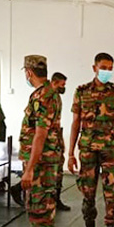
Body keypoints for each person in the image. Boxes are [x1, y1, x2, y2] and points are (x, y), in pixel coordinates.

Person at [68, 52, 114, 227]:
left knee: (113, 194)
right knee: (88, 194)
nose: (106, 72)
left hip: (112, 150)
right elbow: (75, 123)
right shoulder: (81, 91)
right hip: (87, 150)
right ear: (94, 68)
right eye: (103, 68)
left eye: (110, 69)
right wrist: (70, 154)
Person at [18, 55, 62, 227]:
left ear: (28, 72)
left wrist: (30, 169)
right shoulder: (46, 93)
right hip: (43, 159)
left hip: (41, 162)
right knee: (37, 204)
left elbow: (40, 135)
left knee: (40, 206)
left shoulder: (43, 96)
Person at [50, 72, 71, 211]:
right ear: (55, 82)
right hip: (49, 140)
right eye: (62, 84)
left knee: (58, 171)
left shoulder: (56, 97)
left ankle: (56, 199)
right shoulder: (46, 97)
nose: (64, 87)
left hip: (56, 137)